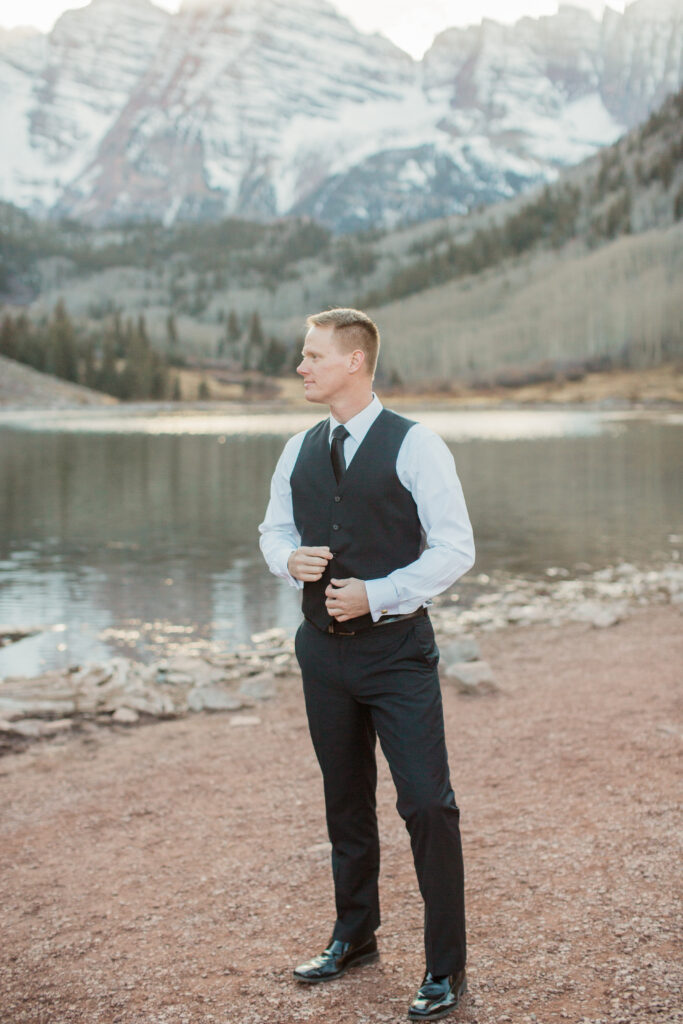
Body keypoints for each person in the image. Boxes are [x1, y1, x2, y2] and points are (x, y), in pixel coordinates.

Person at [258, 308, 475, 1020]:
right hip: (320, 654)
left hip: (396, 654)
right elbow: (274, 529)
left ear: (354, 361)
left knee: (426, 806)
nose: (301, 366)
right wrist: (288, 562)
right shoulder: (297, 448)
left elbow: (453, 549)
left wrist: (378, 593)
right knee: (344, 803)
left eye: (313, 355)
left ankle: (444, 968)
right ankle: (355, 937)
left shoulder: (417, 445)